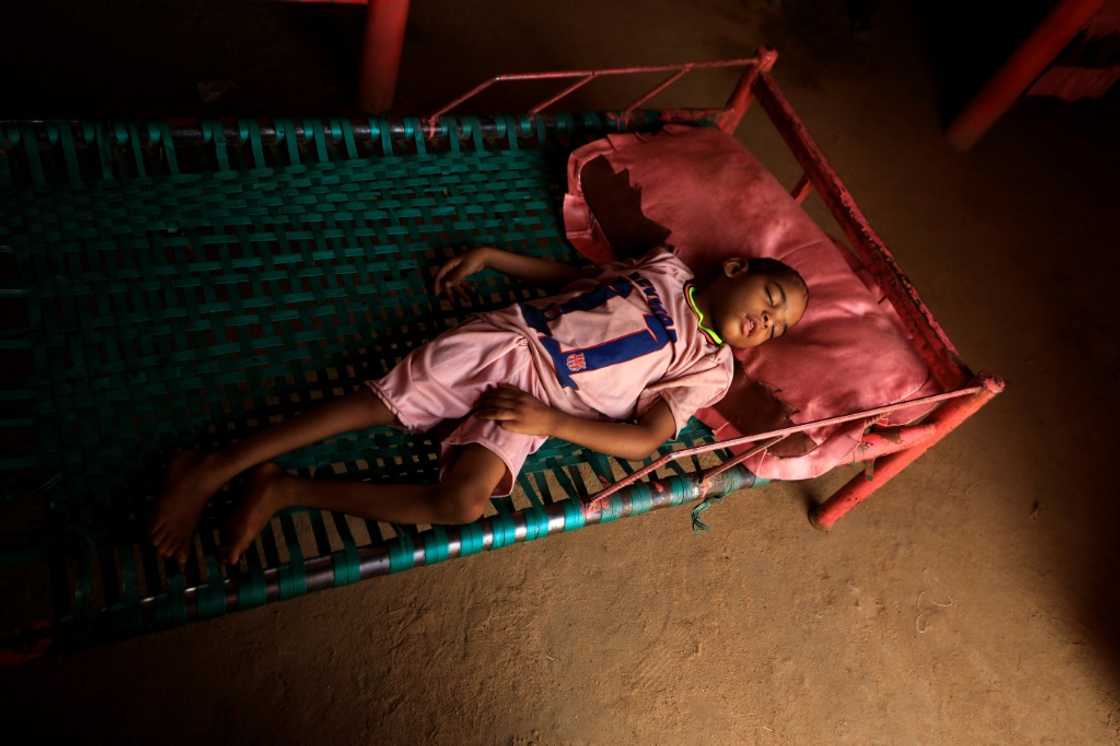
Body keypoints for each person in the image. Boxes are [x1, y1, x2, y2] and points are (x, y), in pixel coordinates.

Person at [149, 246, 809, 565]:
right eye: (770, 301)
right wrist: (495, 257)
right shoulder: (666, 269)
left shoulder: (711, 367)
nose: (765, 323)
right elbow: (583, 283)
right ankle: (212, 467)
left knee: (461, 503)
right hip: (510, 340)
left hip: (541, 404)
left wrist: (551, 422)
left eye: (776, 329)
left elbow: (644, 439)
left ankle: (286, 489)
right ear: (734, 270)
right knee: (376, 406)